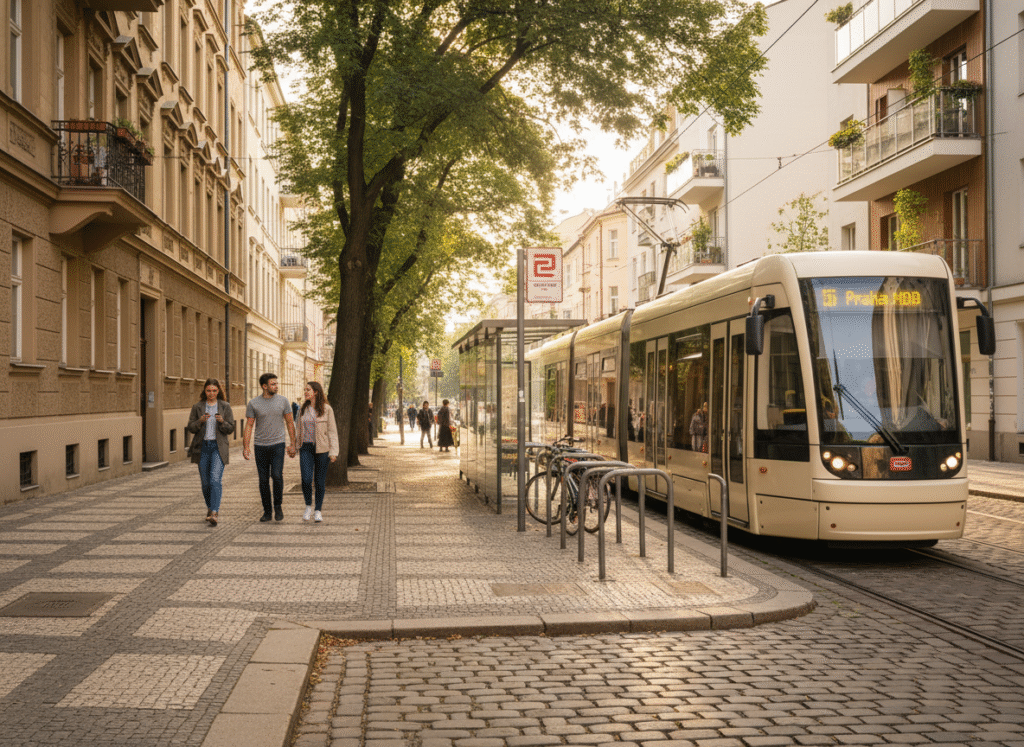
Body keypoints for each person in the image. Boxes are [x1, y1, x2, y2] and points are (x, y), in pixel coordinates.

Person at [243, 373, 297, 522]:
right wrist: (246, 446)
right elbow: (249, 425)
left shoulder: (283, 401)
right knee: (263, 480)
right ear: (264, 386)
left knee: (277, 476)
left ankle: (278, 506)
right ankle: (267, 511)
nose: (276, 386)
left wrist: (293, 444)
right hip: (260, 446)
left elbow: (290, 422)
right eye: (273, 384)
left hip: (278, 445)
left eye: (276, 384)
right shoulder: (254, 403)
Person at [186, 378, 235, 526]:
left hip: (218, 448)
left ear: (218, 391)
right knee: (205, 483)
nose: (211, 393)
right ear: (204, 391)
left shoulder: (225, 406)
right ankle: (210, 507)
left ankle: (214, 511)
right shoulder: (198, 407)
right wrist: (200, 421)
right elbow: (191, 427)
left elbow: (231, 428)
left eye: (214, 390)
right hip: (202, 448)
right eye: (208, 390)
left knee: (215, 479)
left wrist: (222, 422)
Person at [296, 381, 339, 522]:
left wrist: (334, 451)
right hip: (306, 448)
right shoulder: (302, 409)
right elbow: (298, 431)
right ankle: (308, 505)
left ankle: (318, 510)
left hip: (322, 449)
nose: (305, 392)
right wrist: (294, 447)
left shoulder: (327, 409)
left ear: (316, 392)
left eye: (308, 389)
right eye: (305, 389)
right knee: (306, 479)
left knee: (319, 481)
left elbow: (332, 431)